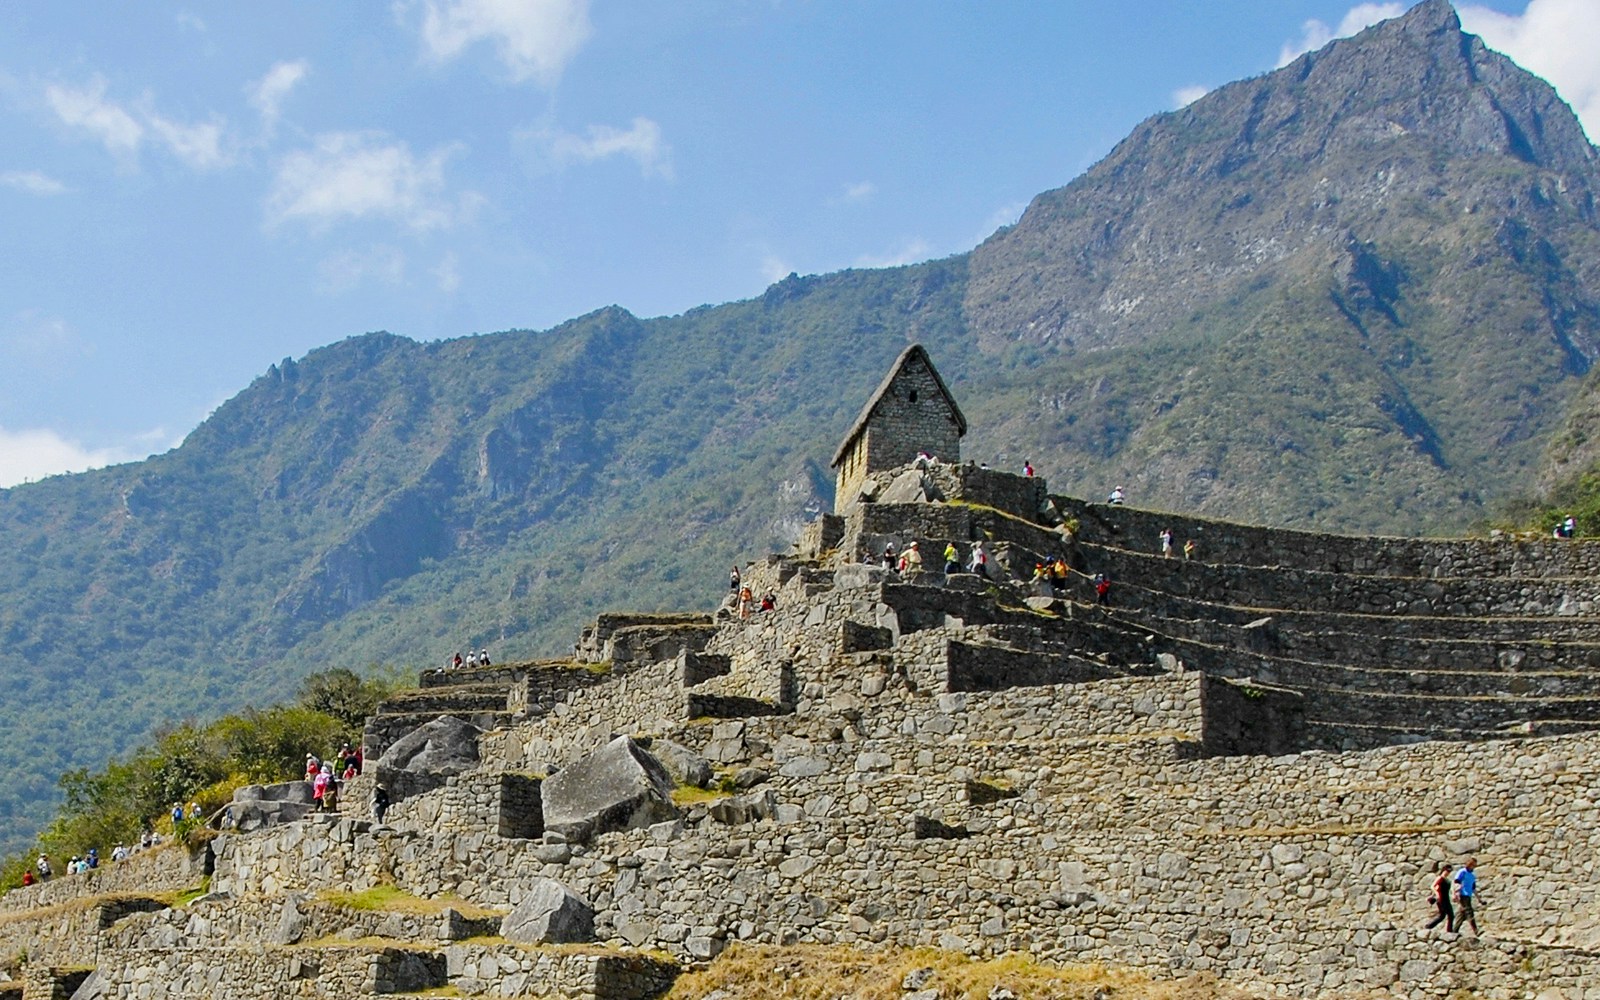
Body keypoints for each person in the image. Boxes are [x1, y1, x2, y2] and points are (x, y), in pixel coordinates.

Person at [1425, 862, 1455, 932]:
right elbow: (1433, 886)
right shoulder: (1440, 878)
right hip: (1441, 899)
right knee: (1443, 915)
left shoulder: (1447, 880)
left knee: (1450, 915)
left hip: (1446, 899)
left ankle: (1449, 930)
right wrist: (1435, 894)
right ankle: (1429, 926)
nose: (1447, 873)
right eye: (1447, 871)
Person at [1452, 858, 1480, 935]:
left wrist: (1479, 899)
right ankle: (1476, 931)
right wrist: (1455, 893)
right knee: (1469, 912)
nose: (1474, 867)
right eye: (1473, 865)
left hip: (1468, 895)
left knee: (1461, 914)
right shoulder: (1462, 872)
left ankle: (1454, 931)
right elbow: (1456, 882)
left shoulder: (1472, 876)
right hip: (1462, 895)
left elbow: (1473, 888)